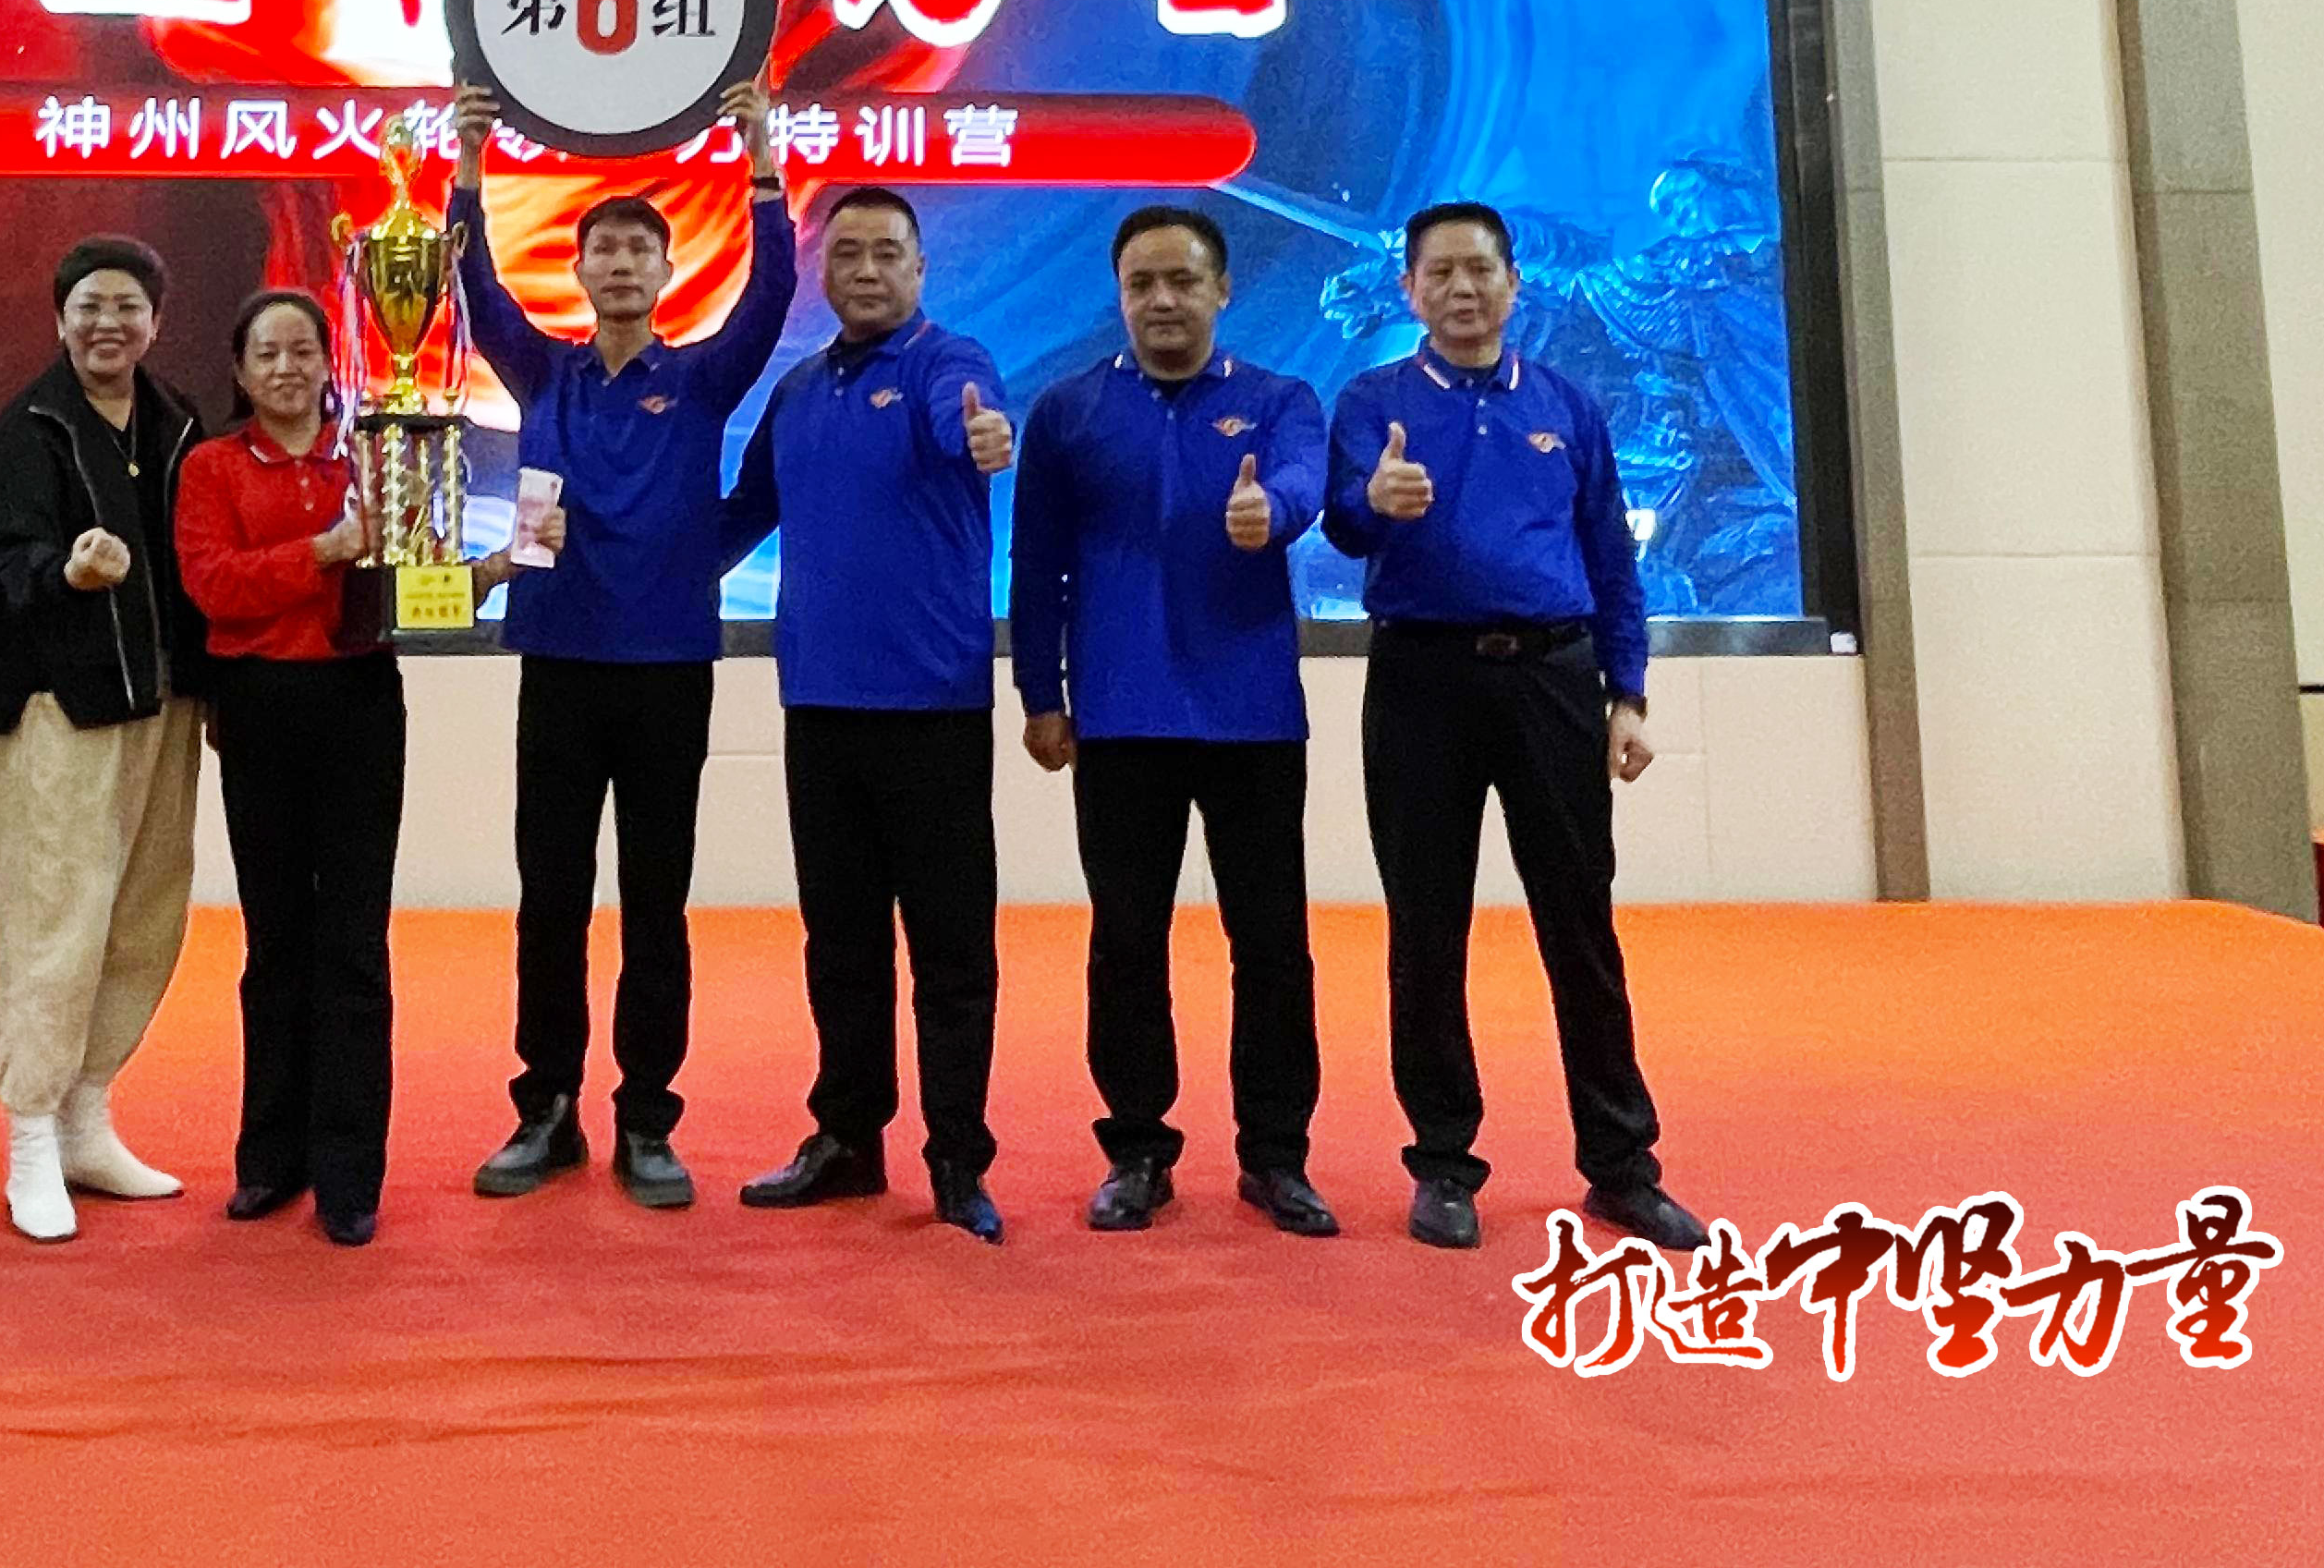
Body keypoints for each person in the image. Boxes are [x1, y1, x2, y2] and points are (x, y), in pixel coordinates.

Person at [1323, 200, 1706, 1258]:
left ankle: (1622, 1167)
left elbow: (1611, 560)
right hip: (1421, 682)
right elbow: (1340, 522)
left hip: (1552, 679)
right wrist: (1375, 499)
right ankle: (1444, 1165)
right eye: (1440, 272)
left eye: (1481, 270)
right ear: (1409, 289)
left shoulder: (1566, 404)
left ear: (1514, 283)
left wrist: (1628, 693)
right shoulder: (1373, 400)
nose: (1462, 288)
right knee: (1426, 930)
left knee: (1580, 928)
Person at [451, 78, 789, 1213]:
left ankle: (647, 1117)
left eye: (641, 248)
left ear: (668, 268)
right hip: (556, 663)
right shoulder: (542, 371)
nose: (623, 264)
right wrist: (468, 168)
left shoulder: (699, 380)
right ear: (581, 268)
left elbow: (772, 294)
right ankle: (544, 1109)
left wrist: (762, 160)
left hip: (666, 676)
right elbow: (476, 288)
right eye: (605, 248)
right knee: (549, 900)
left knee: (655, 905)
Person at [172, 290, 565, 1248]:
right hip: (257, 708)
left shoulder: (374, 459)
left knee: (353, 940)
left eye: (304, 351)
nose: (287, 368)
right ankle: (271, 1159)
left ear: (328, 366)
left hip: (358, 706)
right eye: (268, 352)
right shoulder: (212, 467)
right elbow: (213, 587)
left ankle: (350, 1173)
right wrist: (324, 550)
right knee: (274, 940)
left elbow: (409, 590)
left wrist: (493, 571)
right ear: (240, 371)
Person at [1009, 202, 1337, 1239]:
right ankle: (1138, 1151)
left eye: (1183, 280)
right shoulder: (1067, 412)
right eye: (1142, 283)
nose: (1163, 300)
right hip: (1119, 718)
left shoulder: (1280, 401)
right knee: (1126, 944)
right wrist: (1042, 696)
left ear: (1222, 290)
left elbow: (1306, 481)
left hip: (1252, 718)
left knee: (1272, 945)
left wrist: (1270, 514)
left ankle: (1276, 1156)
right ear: (1120, 296)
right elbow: (1036, 566)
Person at [721, 187, 1015, 1244]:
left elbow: (962, 418)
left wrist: (981, 435)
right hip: (819, 709)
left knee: (950, 953)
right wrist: (617, 557)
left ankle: (958, 1158)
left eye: (889, 252)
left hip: (932, 712)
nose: (867, 270)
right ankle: (847, 1137)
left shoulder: (949, 364)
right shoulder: (797, 391)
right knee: (839, 946)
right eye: (846, 253)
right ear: (823, 269)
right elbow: (737, 521)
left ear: (920, 269)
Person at [0, 236, 210, 1245]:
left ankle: (86, 1112)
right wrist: (64, 572)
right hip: (63, 706)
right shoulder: (29, 429)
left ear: (155, 322)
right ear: (60, 320)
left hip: (168, 702)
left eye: (127, 307)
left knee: (144, 913)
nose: (108, 324)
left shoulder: (179, 421)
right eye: (89, 307)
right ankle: (29, 1133)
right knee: (58, 915)